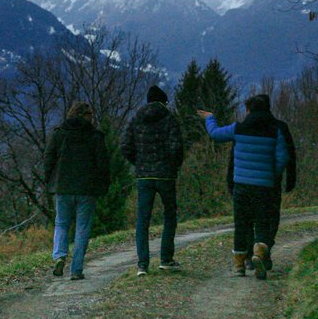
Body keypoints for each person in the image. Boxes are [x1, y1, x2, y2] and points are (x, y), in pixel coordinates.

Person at [199, 95, 290, 280]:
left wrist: (209, 118)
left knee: (241, 224)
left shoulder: (239, 128)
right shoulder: (276, 130)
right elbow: (283, 157)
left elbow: (215, 134)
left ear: (249, 110)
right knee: (262, 222)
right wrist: (271, 174)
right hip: (264, 187)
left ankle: (239, 265)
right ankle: (259, 252)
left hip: (241, 186)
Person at [226, 92, 297, 271]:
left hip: (244, 182)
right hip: (271, 183)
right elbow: (289, 155)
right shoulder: (279, 127)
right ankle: (263, 252)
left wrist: (230, 180)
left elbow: (234, 157)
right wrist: (287, 178)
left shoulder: (244, 128)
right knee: (268, 219)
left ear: (250, 110)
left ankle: (249, 257)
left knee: (246, 220)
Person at [43, 101, 111, 281]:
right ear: (85, 116)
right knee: (82, 228)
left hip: (62, 186)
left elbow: (48, 159)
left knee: (61, 223)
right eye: (90, 115)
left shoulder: (59, 134)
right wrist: (103, 186)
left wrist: (50, 181)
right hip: (86, 189)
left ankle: (59, 256)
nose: (92, 118)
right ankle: (76, 269)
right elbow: (103, 164)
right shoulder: (95, 136)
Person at [121, 85, 185, 276]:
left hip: (144, 175)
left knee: (143, 219)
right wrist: (173, 166)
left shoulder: (136, 118)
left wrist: (139, 163)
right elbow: (176, 147)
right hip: (165, 175)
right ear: (164, 102)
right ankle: (166, 259)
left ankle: (142, 264)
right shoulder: (170, 119)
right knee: (170, 215)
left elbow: (125, 146)